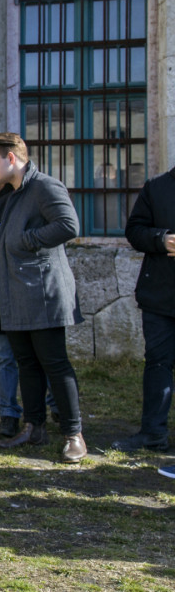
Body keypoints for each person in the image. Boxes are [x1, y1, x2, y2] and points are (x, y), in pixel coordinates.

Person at [0, 132, 86, 463]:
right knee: (27, 364)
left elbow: (69, 225)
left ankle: (74, 434)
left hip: (43, 294)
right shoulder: (9, 196)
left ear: (11, 158)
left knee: (54, 364)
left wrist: (27, 239)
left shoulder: (44, 186)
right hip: (13, 296)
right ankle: (34, 428)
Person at [112, 165, 175, 453]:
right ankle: (153, 432)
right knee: (158, 364)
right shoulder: (157, 186)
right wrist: (161, 240)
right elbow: (135, 231)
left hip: (159, 293)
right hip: (160, 295)